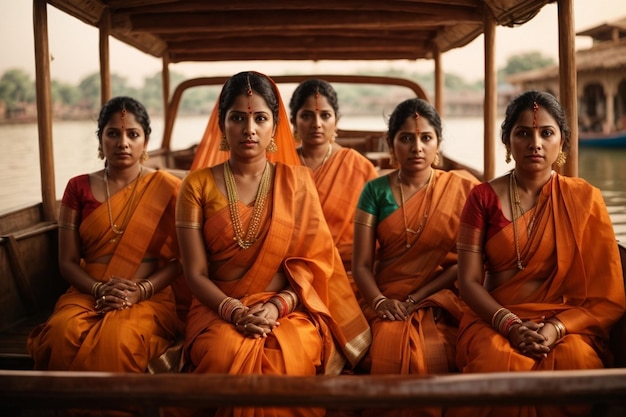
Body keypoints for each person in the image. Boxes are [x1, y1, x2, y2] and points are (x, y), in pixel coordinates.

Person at [175, 71, 371, 417]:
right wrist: (234, 311)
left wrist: (277, 306)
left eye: (260, 118)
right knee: (221, 353)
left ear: (275, 126)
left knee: (290, 356)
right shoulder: (196, 185)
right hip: (217, 307)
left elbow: (314, 265)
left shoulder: (296, 182)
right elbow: (195, 273)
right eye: (238, 117)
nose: (249, 129)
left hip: (287, 309)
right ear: (222, 125)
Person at [449, 90, 626, 417]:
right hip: (495, 319)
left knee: (576, 362)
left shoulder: (584, 199)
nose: (535, 143)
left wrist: (556, 327)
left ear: (562, 142)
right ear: (507, 141)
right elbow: (469, 281)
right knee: (496, 364)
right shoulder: (482, 198)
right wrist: (510, 324)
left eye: (546, 133)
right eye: (523, 133)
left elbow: (607, 296)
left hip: (565, 322)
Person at [27, 97, 184, 377]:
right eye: (113, 133)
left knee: (120, 339)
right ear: (101, 140)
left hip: (148, 294)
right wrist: (100, 289)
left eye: (132, 134)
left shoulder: (168, 188)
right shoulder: (77, 187)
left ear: (145, 142)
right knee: (62, 334)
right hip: (89, 292)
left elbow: (182, 260)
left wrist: (142, 290)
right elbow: (68, 262)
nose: (123, 142)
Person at [352, 98, 479, 417]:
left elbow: (466, 264)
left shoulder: (461, 189)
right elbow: (362, 266)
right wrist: (381, 303)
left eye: (426, 138)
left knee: (443, 345)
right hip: (385, 298)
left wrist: (418, 299)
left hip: (441, 296)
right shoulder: (375, 191)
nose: (417, 147)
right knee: (384, 344)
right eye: (406, 138)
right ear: (392, 144)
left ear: (438, 144)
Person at [288, 79, 378, 275]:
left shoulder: (358, 166)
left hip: (348, 269)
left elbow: (379, 230)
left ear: (336, 120)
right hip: (290, 266)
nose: (317, 124)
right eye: (307, 116)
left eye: (325, 115)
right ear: (293, 120)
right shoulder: (281, 165)